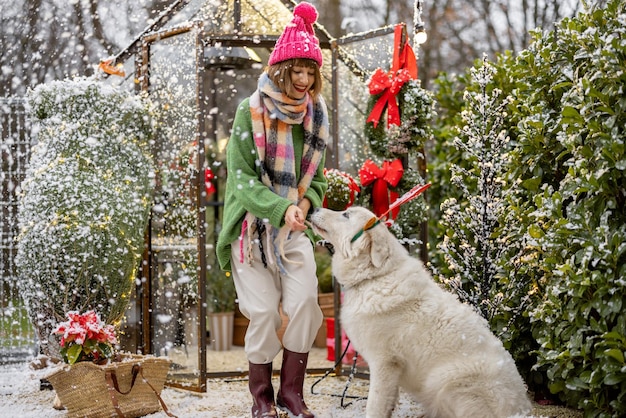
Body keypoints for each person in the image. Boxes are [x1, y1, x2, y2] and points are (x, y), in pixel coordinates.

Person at [215, 2, 329, 417]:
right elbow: (242, 181)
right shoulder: (251, 111)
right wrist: (281, 207)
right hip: (250, 232)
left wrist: (302, 203)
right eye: (296, 71)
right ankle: (261, 398)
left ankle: (291, 393)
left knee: (305, 305)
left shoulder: (315, 116)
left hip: (292, 230)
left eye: (310, 72)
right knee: (262, 312)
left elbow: (317, 178)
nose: (303, 80)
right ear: (281, 70)